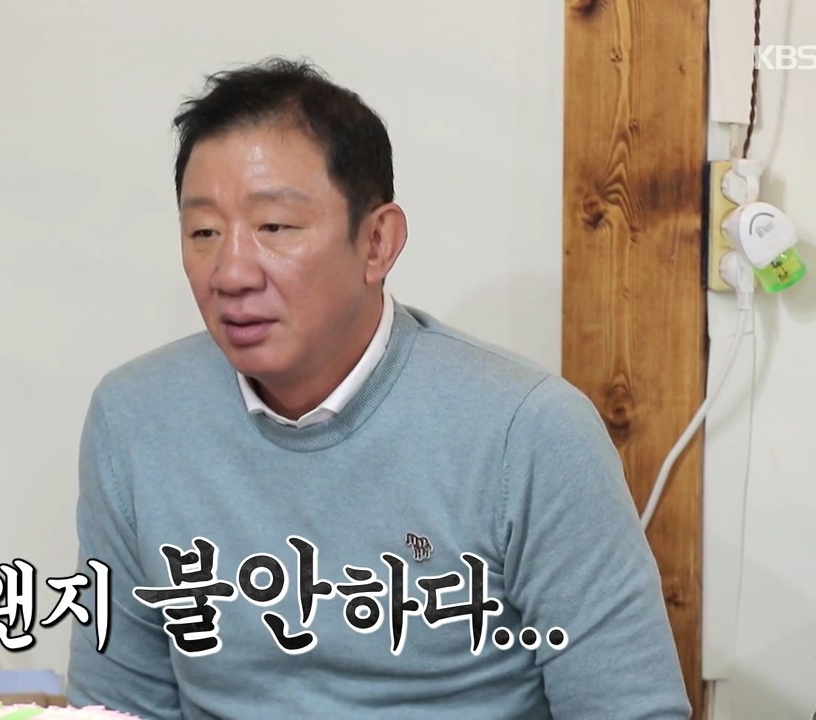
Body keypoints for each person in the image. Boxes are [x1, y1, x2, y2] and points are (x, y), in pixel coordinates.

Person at [65, 57, 691, 720]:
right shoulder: (134, 418)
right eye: (203, 233)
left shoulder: (528, 430)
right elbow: (114, 707)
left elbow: (630, 710)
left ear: (376, 243)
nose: (232, 272)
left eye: (275, 227)